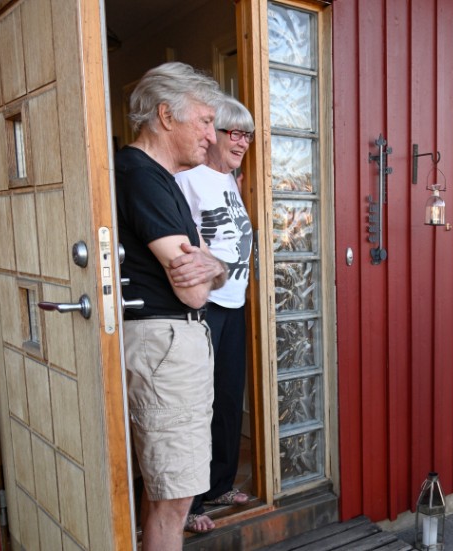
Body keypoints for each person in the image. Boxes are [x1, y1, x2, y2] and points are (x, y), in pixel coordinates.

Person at [115, 61, 227, 550]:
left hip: (167, 343)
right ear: (165, 115)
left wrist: (215, 264)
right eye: (204, 120)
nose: (212, 134)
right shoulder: (141, 176)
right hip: (164, 344)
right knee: (174, 499)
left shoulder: (161, 180)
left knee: (164, 489)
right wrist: (212, 269)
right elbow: (195, 290)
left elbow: (210, 271)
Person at [174, 96, 255, 532]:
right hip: (206, 306)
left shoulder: (229, 179)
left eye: (247, 134)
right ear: (213, 135)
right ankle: (189, 503)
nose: (242, 142)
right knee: (197, 405)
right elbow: (182, 242)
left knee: (227, 397)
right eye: (234, 133)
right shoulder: (191, 179)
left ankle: (220, 482)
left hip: (234, 302)